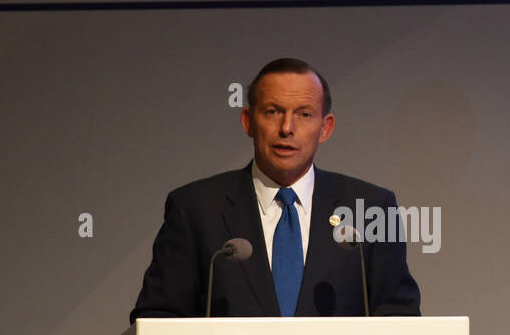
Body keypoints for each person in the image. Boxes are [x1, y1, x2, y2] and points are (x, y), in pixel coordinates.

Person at [130, 58, 421, 319]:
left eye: (304, 114)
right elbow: (156, 320)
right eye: (272, 111)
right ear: (248, 121)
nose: (286, 128)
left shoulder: (371, 209)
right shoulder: (195, 209)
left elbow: (400, 319)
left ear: (325, 128)